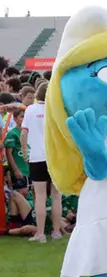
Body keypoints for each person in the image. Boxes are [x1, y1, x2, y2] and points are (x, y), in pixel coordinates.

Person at [21, 81, 62, 243]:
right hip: (56, 157)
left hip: (37, 156)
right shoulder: (57, 110)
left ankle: (40, 233)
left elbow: (24, 133)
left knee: (40, 196)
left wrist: (25, 151)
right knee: (56, 195)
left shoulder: (31, 110)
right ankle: (56, 231)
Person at [4, 107, 29, 191]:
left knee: (33, 192)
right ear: (15, 119)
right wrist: (16, 170)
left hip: (30, 169)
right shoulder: (12, 134)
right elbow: (8, 153)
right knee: (22, 192)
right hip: (20, 169)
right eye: (22, 116)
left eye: (26, 116)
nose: (24, 119)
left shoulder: (30, 131)